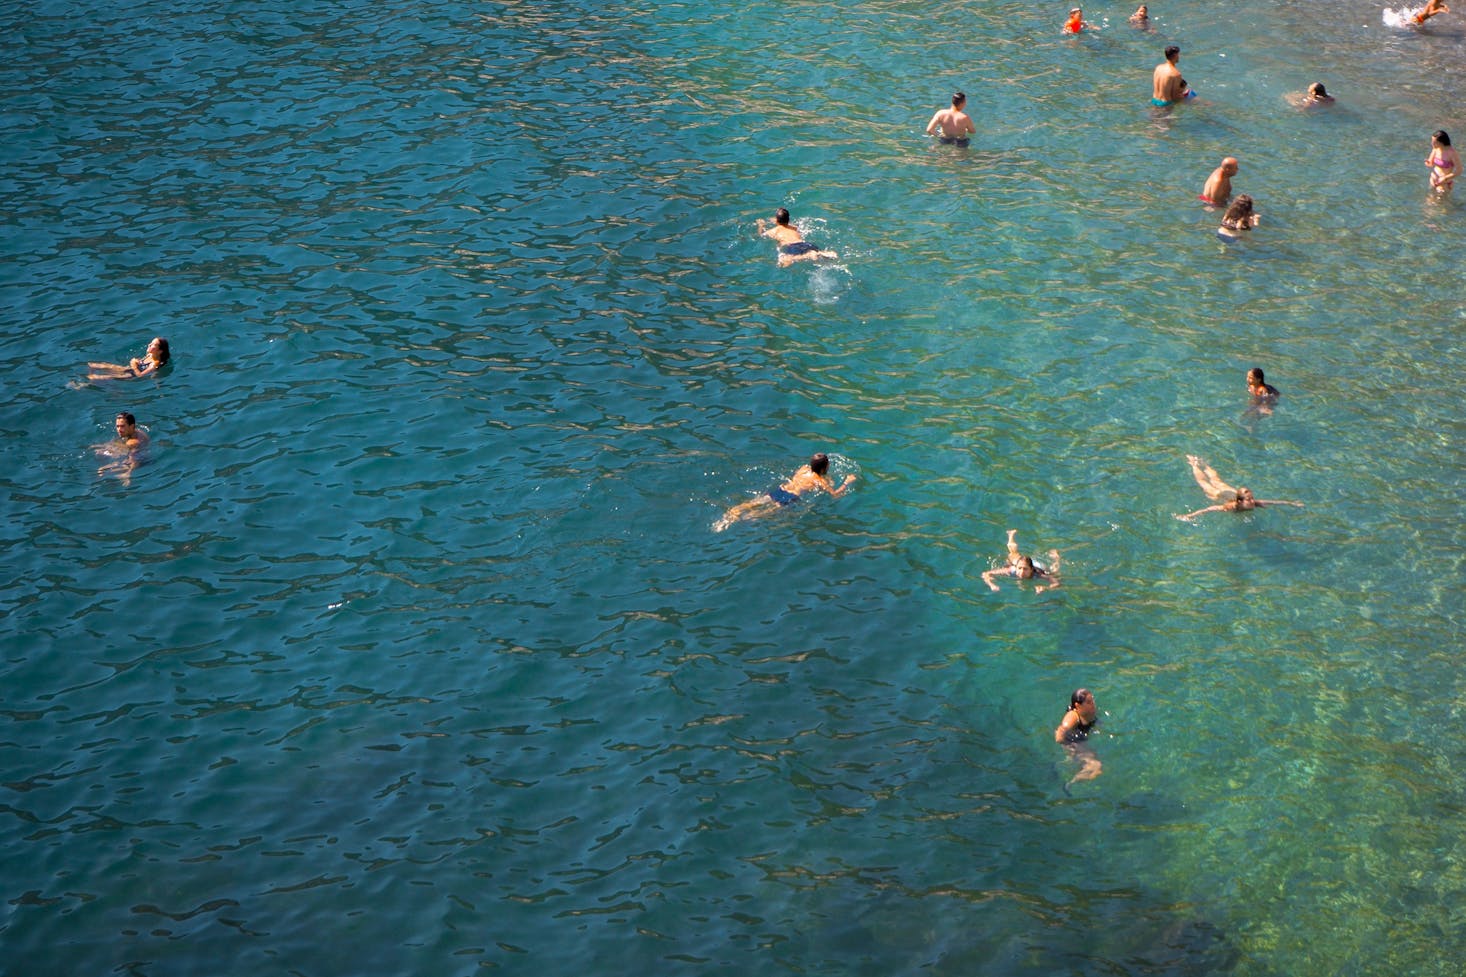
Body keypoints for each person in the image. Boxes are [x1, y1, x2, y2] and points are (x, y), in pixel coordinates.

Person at [713, 452, 855, 532]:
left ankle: (730, 515)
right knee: (765, 512)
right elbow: (835, 495)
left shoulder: (804, 469)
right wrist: (847, 482)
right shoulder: (820, 480)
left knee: (754, 502)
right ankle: (745, 518)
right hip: (791, 497)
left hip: (782, 489)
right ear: (825, 467)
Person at [1176, 455, 1303, 521]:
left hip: (1231, 492)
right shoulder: (1230, 507)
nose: (1253, 501)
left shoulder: (1253, 503)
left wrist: (1291, 503)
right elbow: (1209, 509)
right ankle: (1194, 464)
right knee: (1203, 483)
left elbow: (1273, 502)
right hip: (1218, 494)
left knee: (1216, 479)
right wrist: (1190, 515)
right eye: (1249, 500)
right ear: (1240, 502)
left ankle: (1204, 464)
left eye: (1252, 498)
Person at [982, 529, 1061, 593]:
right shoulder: (1011, 570)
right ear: (1016, 568)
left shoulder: (1038, 574)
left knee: (1055, 573)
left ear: (1031, 570)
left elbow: (1056, 582)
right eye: (1020, 568)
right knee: (1013, 553)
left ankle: (1056, 557)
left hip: (1038, 565)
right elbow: (986, 573)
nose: (1022, 572)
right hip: (1018, 562)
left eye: (1025, 569)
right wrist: (991, 584)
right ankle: (1011, 534)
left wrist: (1045, 588)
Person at [757, 208, 838, 268]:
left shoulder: (774, 231)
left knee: (785, 262)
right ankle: (820, 252)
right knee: (816, 254)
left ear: (777, 221)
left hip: (793, 247)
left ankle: (809, 255)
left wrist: (761, 225)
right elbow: (787, 224)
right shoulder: (794, 228)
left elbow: (761, 235)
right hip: (806, 244)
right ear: (788, 220)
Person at [1055, 688, 1102, 785]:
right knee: (1095, 766)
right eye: (1089, 702)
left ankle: (1070, 768)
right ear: (1077, 705)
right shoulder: (1072, 717)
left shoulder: (1089, 712)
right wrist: (1072, 748)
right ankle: (1071, 783)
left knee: (1095, 767)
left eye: (1092, 700)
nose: (1093, 704)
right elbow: (1059, 736)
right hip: (1073, 743)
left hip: (1080, 741)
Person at [95, 411, 150, 484]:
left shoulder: (133, 442)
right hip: (140, 457)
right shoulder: (138, 432)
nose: (119, 430)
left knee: (101, 460)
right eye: (117, 426)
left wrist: (127, 474)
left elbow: (134, 459)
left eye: (122, 426)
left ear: (132, 426)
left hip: (140, 462)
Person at [88, 337, 170, 380]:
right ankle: (91, 376)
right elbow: (141, 363)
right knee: (95, 365)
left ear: (160, 351)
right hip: (130, 369)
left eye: (153, 345)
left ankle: (84, 384)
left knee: (102, 377)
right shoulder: (149, 354)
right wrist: (137, 361)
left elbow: (140, 375)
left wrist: (133, 365)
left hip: (131, 375)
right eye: (151, 343)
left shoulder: (154, 363)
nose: (149, 344)